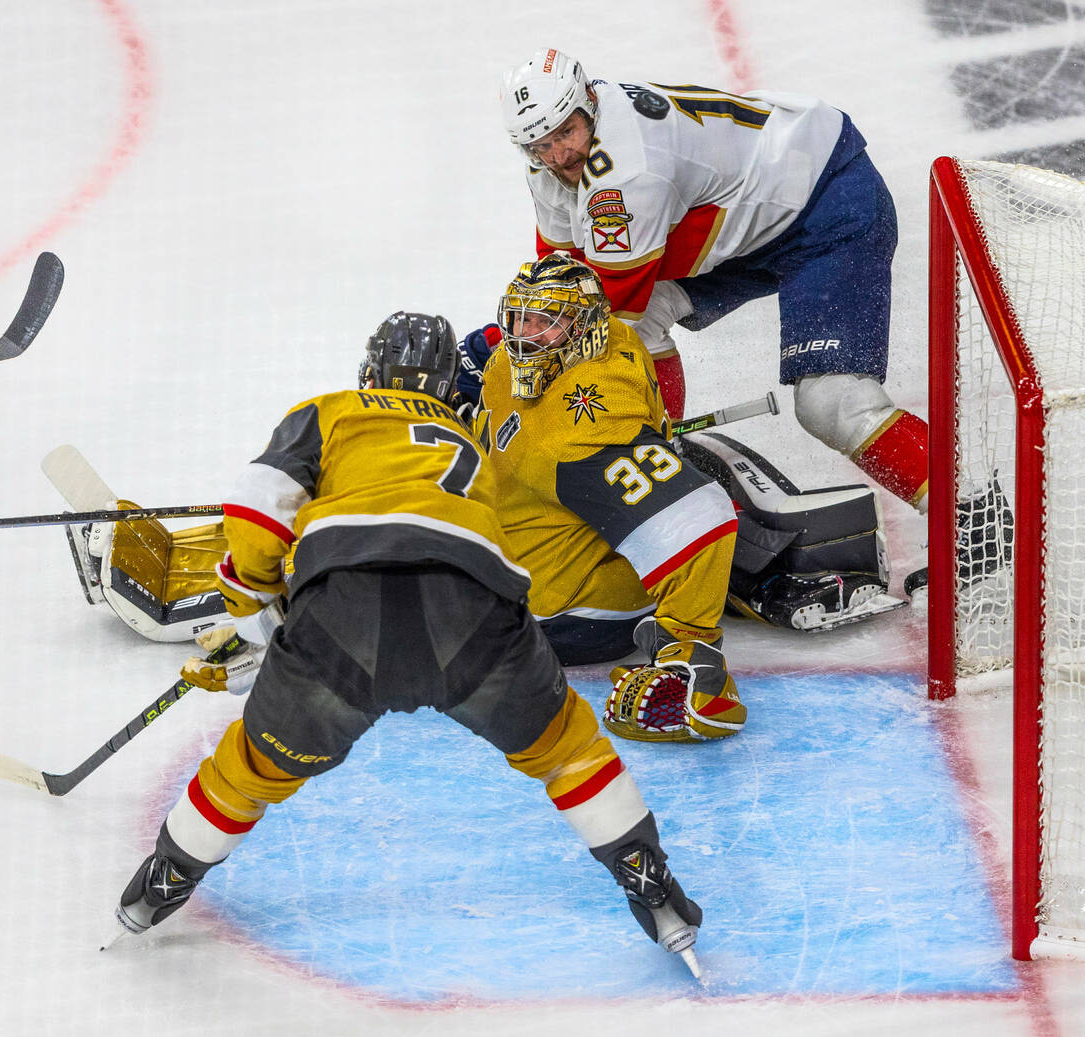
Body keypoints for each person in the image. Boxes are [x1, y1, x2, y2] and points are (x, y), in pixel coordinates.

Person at [112, 311, 705, 977]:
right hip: (477, 617)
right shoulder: (468, 441)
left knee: (251, 765)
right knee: (567, 749)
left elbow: (253, 510)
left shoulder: (328, 411)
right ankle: (645, 874)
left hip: (343, 616)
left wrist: (256, 613)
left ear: (369, 368)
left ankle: (166, 876)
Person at [497, 48, 929, 520]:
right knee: (630, 325)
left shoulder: (628, 173)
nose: (560, 154)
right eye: (541, 145)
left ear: (588, 105)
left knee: (831, 402)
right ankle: (657, 458)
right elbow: (563, 277)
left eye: (567, 132)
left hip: (826, 205)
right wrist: (513, 343)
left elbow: (605, 313)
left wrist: (515, 372)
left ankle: (974, 514)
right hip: (753, 211)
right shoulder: (550, 162)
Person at [466, 252, 749, 744]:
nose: (524, 336)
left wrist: (689, 640)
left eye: (545, 323)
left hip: (566, 612)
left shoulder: (581, 431)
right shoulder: (610, 335)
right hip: (556, 552)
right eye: (519, 317)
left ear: (581, 327)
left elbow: (701, 517)